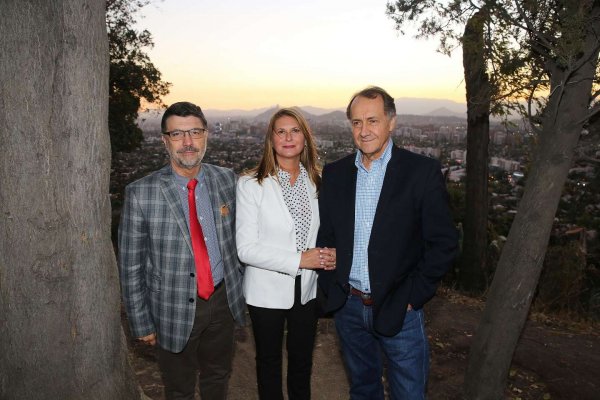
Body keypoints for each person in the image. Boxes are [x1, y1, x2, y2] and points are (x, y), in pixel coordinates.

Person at [317, 87, 458, 399]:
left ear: (392, 122)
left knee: (408, 393)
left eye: (372, 121)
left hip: (400, 307)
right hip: (349, 307)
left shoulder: (420, 171)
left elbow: (444, 242)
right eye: (356, 123)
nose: (364, 131)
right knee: (363, 390)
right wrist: (333, 287)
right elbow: (326, 237)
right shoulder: (336, 173)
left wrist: (414, 296)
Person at [119, 101, 246, 400]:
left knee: (218, 375)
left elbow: (241, 239)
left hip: (222, 300)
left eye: (195, 132)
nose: (188, 142)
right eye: (177, 134)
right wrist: (141, 322)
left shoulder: (227, 180)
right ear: (164, 140)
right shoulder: (141, 193)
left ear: (206, 135)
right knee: (179, 388)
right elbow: (130, 267)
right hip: (171, 308)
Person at [236, 108, 336, 400]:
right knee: (268, 362)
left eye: (295, 130)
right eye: (281, 131)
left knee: (302, 361)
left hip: (307, 288)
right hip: (265, 290)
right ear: (271, 139)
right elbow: (246, 249)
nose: (288, 137)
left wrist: (330, 254)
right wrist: (299, 259)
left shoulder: (318, 182)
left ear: (305, 138)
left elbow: (326, 232)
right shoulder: (251, 184)